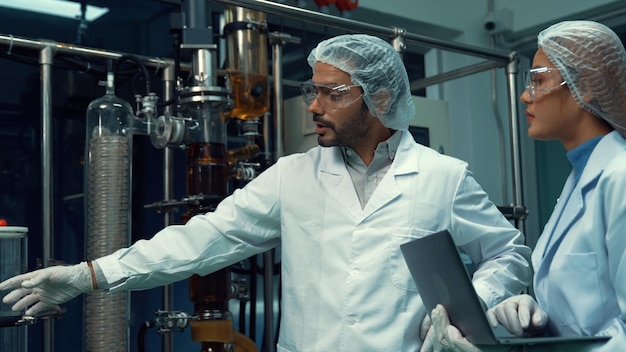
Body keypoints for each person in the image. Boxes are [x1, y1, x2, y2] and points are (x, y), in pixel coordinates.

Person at [0, 34, 531, 351]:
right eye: (312, 91)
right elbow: (202, 240)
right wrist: (88, 275)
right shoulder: (291, 176)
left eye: (332, 93)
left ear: (381, 97)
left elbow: (508, 254)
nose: (313, 106)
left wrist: (473, 306)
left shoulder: (444, 176)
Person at [427, 20, 626, 352]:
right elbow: (587, 309)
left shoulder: (619, 177)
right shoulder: (580, 177)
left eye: (538, 80)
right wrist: (536, 318)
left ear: (587, 86)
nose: (524, 95)